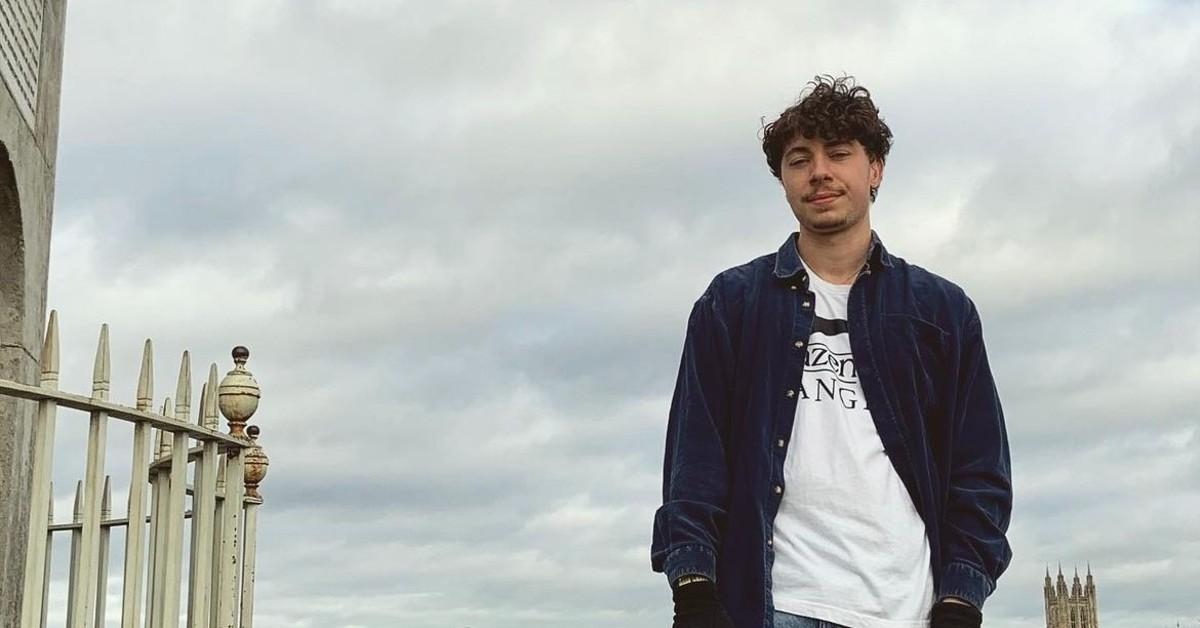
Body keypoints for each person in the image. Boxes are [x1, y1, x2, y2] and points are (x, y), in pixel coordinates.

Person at [650, 75, 1012, 628]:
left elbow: (980, 472)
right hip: (772, 605)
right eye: (800, 159)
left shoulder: (942, 314)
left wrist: (962, 599)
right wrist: (693, 588)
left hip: (906, 609)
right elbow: (693, 460)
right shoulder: (732, 305)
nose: (819, 171)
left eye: (839, 154)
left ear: (875, 170)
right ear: (784, 181)